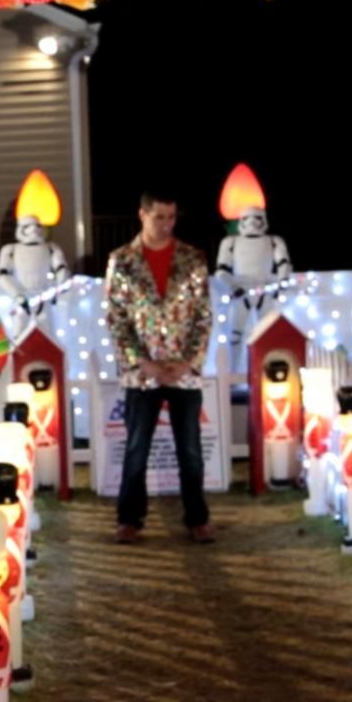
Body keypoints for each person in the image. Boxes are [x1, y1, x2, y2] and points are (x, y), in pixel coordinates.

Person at [104, 191, 215, 544]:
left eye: (171, 218)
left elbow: (203, 316)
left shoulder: (192, 258)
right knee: (136, 448)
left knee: (191, 452)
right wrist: (143, 362)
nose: (166, 225)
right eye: (159, 218)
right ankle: (129, 520)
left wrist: (188, 362)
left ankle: (197, 519)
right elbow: (116, 318)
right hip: (142, 374)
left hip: (184, 374)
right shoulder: (122, 261)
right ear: (143, 215)